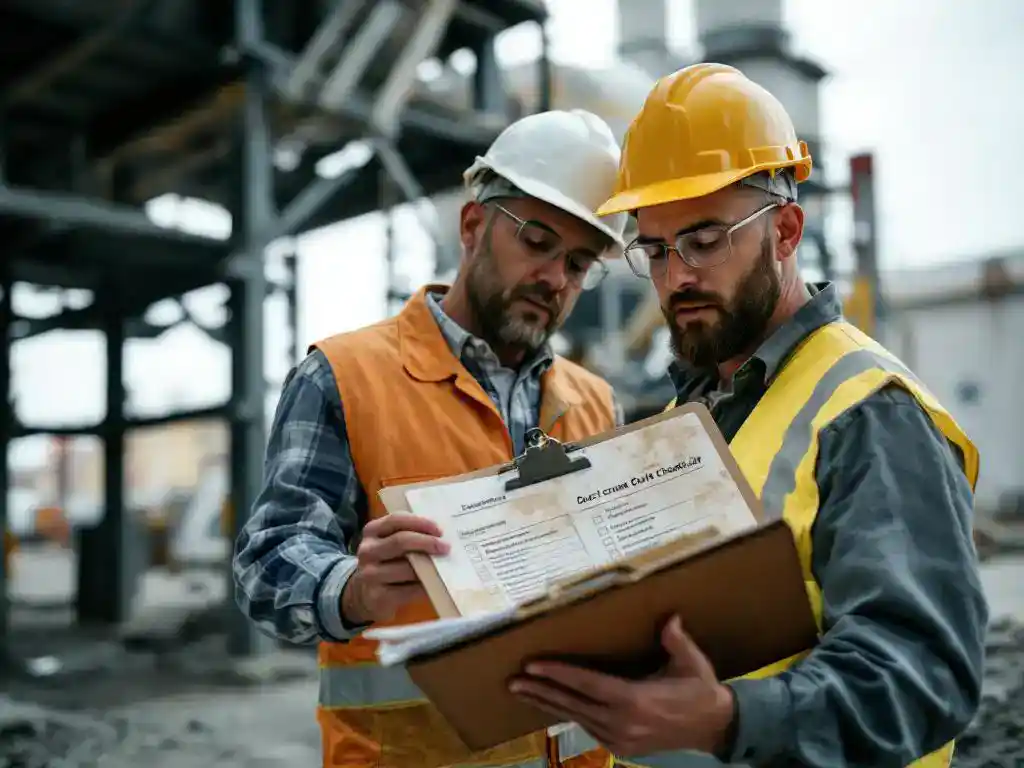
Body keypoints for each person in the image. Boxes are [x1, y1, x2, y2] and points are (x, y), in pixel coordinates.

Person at [507, 63, 988, 768]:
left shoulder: (868, 411)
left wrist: (731, 722)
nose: (677, 277)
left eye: (705, 240)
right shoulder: (684, 416)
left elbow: (921, 673)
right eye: (656, 249)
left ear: (787, 230)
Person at [233, 108, 631, 768]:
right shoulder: (343, 377)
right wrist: (350, 588)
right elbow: (265, 567)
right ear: (473, 225)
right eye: (536, 242)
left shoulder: (596, 404)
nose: (556, 279)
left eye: (580, 262)